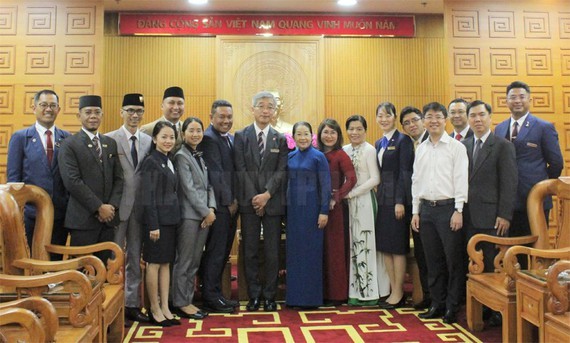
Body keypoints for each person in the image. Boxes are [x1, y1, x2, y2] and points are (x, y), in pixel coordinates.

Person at [410, 102, 468, 324]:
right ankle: (437, 303)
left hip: (449, 210)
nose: (433, 121)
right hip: (426, 211)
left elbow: (461, 180)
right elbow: (416, 181)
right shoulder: (421, 148)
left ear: (445, 120)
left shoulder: (456, 147)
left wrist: (459, 210)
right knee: (432, 260)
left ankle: (452, 306)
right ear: (424, 121)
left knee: (452, 260)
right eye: (429, 117)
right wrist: (415, 211)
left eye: (438, 117)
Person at [463, 100, 518, 327]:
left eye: (481, 115)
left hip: (493, 216)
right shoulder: (464, 145)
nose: (477, 119)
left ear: (490, 117)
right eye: (473, 116)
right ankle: (480, 307)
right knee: (475, 264)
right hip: (468, 215)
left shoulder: (502, 145)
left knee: (494, 264)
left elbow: (509, 182)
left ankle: (497, 311)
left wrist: (504, 214)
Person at [234, 91, 288, 312]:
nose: (266, 111)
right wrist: (255, 199)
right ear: (253, 108)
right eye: (262, 106)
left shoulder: (281, 138)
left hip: (273, 204)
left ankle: (270, 296)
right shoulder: (241, 135)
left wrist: (266, 195)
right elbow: (240, 169)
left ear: (274, 111)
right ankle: (254, 295)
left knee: (273, 252)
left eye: (270, 107)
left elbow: (281, 170)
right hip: (249, 204)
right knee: (251, 250)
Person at [494, 81, 563, 241]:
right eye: (512, 97)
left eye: (521, 97)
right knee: (512, 250)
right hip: (508, 203)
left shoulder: (543, 127)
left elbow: (556, 163)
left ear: (529, 100)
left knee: (537, 249)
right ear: (506, 101)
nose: (517, 101)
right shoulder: (499, 128)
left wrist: (541, 183)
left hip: (535, 199)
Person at [58, 95, 123, 263]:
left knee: (104, 274)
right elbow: (72, 181)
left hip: (108, 220)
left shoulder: (110, 143)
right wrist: (98, 207)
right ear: (79, 116)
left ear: (102, 115)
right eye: (88, 112)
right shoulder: (69, 144)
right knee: (83, 273)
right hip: (83, 220)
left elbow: (119, 178)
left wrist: (111, 207)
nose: (93, 116)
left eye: (97, 112)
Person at [105, 93, 151, 323]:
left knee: (135, 256)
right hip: (117, 208)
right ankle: (108, 304)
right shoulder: (109, 139)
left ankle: (131, 304)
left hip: (140, 210)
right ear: (121, 112)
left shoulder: (149, 141)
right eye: (130, 110)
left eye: (139, 111)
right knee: (113, 256)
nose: (135, 115)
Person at [7, 89, 70, 257]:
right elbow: (13, 180)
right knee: (31, 261)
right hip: (30, 214)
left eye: (52, 105)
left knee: (56, 261)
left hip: (59, 214)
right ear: (34, 108)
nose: (48, 109)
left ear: (58, 109)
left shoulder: (67, 138)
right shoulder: (20, 138)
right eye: (43, 105)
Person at [136, 121, 180, 327]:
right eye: (164, 137)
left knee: (165, 264)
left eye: (171, 137)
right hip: (156, 224)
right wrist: (153, 224)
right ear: (154, 139)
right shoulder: (151, 162)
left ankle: (165, 307)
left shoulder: (168, 160)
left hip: (170, 221)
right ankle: (154, 307)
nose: (168, 141)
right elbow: (148, 196)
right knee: (154, 264)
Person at [171, 117, 215, 320]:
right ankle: (180, 302)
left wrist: (211, 208)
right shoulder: (181, 156)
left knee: (195, 260)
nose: (196, 134)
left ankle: (187, 299)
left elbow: (208, 186)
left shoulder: (199, 155)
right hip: (189, 216)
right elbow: (188, 189)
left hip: (205, 215)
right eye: (192, 130)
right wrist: (206, 212)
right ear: (183, 133)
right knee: (185, 260)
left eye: (199, 130)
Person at [343, 115, 389, 306]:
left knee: (367, 243)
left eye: (359, 129)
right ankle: (354, 291)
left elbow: (375, 179)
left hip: (364, 201)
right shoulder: (344, 150)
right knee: (353, 244)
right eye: (351, 129)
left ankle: (371, 292)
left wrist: (353, 193)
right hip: (348, 203)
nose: (355, 132)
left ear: (365, 130)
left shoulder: (370, 150)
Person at [199, 100, 239, 313]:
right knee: (215, 252)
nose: (226, 121)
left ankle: (216, 294)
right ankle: (211, 297)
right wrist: (229, 201)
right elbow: (215, 173)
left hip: (231, 206)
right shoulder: (208, 138)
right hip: (221, 206)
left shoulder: (230, 138)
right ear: (211, 117)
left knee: (223, 252)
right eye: (222, 117)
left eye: (229, 117)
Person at [286, 121, 331, 308]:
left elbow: (326, 185)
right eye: (299, 134)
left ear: (312, 136)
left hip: (313, 211)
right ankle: (295, 298)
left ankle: (311, 299)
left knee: (311, 254)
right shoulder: (289, 156)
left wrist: (324, 211)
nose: (302, 138)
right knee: (295, 255)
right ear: (293, 137)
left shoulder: (319, 156)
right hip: (294, 211)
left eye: (306, 134)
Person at [374, 102, 414, 309]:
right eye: (380, 116)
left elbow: (404, 173)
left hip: (397, 202)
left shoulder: (403, 141)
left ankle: (399, 291)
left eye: (387, 115)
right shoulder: (379, 142)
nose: (383, 119)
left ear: (394, 117)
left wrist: (400, 201)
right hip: (382, 201)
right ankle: (392, 288)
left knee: (397, 247)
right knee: (385, 247)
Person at [317, 118, 357, 305]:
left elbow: (351, 179)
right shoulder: (315, 154)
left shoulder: (341, 155)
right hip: (315, 208)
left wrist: (336, 197)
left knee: (334, 252)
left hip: (335, 211)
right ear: (319, 134)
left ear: (338, 135)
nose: (329, 136)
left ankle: (337, 294)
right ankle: (320, 291)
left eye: (333, 132)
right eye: (326, 132)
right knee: (320, 251)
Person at [400, 106, 430, 309]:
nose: (411, 125)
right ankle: (429, 297)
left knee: (434, 255)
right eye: (407, 123)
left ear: (423, 120)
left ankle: (441, 299)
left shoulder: (434, 141)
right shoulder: (411, 145)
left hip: (437, 207)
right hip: (417, 208)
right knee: (422, 253)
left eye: (414, 120)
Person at [141, 86, 185, 152]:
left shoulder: (186, 129)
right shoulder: (148, 130)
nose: (176, 107)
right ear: (162, 106)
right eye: (171, 103)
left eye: (180, 103)